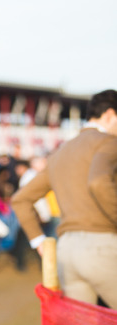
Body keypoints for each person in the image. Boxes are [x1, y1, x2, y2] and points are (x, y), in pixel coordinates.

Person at [12, 90, 117, 307]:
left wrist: (38, 240)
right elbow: (98, 183)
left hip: (66, 250)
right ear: (110, 115)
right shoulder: (108, 143)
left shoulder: (60, 152)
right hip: (103, 245)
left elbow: (20, 200)